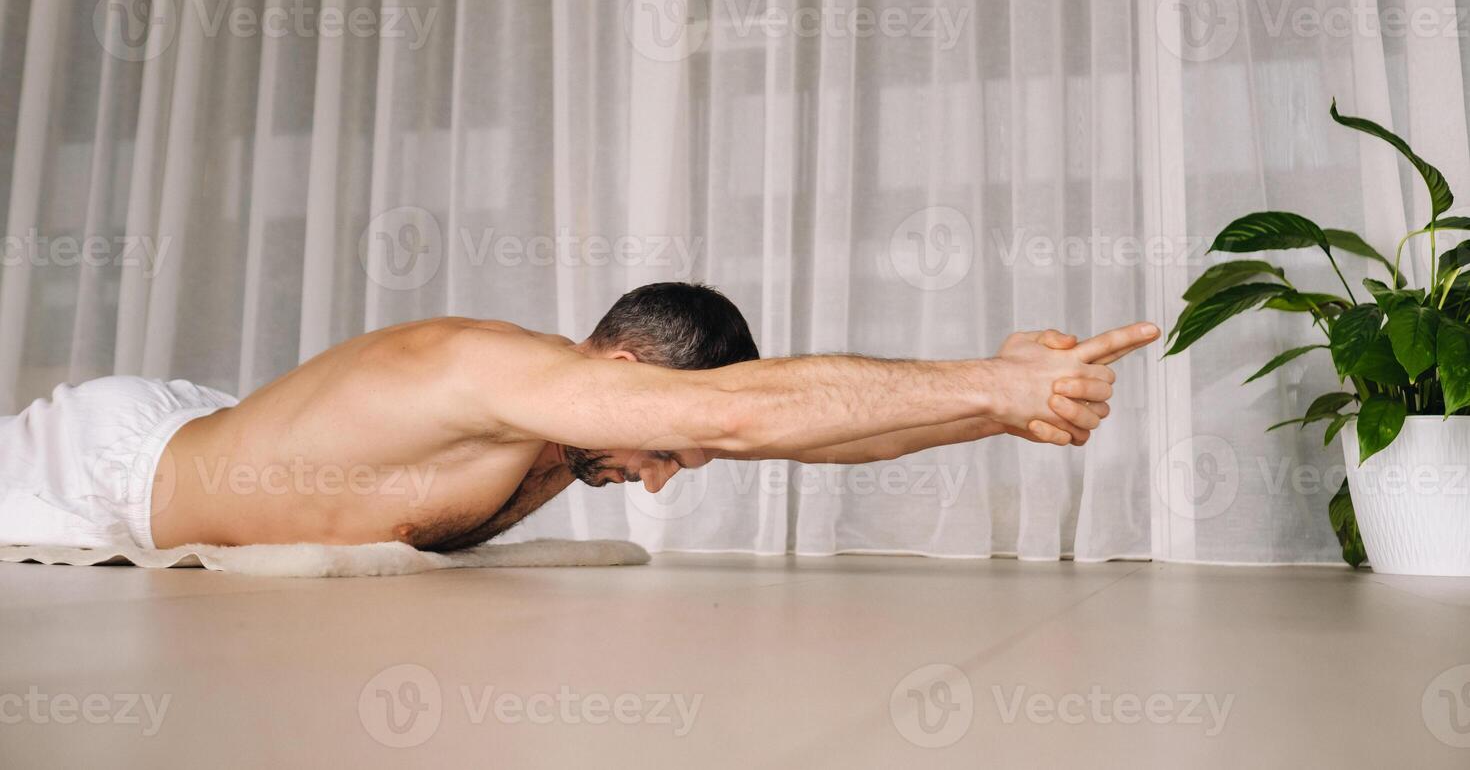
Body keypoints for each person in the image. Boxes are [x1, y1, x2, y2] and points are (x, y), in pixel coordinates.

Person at [0, 282, 1158, 552]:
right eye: (664, 448)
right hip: (102, 467)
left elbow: (806, 429)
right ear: (617, 366)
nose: (659, 478)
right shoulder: (491, 370)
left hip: (219, 434)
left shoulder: (571, 424)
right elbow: (754, 416)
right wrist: (983, 378)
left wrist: (994, 407)